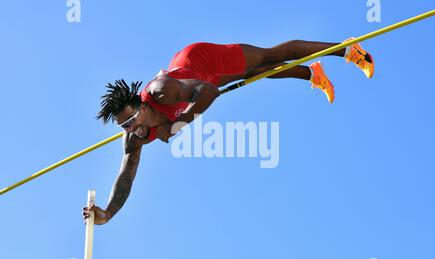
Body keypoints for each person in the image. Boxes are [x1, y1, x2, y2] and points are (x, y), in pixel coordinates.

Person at [83, 39, 374, 225]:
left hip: (203, 61)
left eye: (131, 118)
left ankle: (348, 50)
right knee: (258, 73)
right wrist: (108, 213)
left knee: (270, 57)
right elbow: (126, 175)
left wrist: (178, 124)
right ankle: (314, 74)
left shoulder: (161, 93)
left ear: (140, 104)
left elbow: (208, 90)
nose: (131, 127)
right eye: (124, 125)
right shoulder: (134, 136)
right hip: (196, 79)